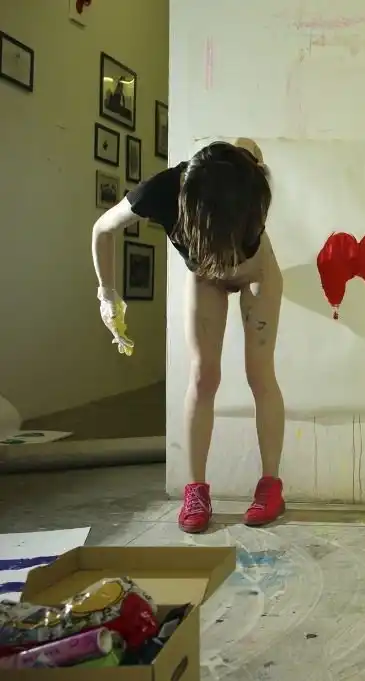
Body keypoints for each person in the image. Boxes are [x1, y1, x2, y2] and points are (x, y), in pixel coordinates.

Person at [90, 139, 286, 533]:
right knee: (203, 376)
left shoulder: (250, 183)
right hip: (206, 277)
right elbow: (102, 229)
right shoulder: (161, 192)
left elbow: (246, 146)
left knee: (259, 373)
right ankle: (195, 490)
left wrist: (245, 152)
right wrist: (107, 294)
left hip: (256, 274)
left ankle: (271, 486)